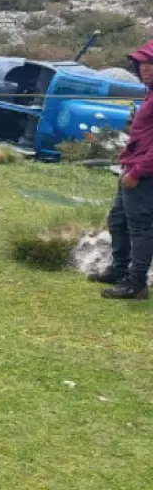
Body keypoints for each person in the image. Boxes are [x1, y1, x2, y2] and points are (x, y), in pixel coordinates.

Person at [90, 40, 153, 300]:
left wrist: (138, 172)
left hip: (144, 172)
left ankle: (136, 283)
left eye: (150, 65)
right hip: (132, 164)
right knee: (118, 219)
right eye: (141, 65)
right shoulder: (149, 93)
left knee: (140, 226)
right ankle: (119, 269)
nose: (145, 70)